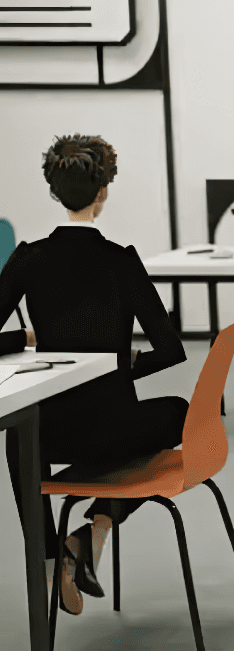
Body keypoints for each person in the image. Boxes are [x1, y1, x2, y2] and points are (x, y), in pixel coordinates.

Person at [0, 134, 189, 616]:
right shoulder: (122, 261)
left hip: (51, 435)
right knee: (179, 413)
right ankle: (95, 529)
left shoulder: (27, 258)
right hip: (112, 433)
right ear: (102, 192)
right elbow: (169, 350)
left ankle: (47, 560)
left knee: (18, 436)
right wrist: (125, 366)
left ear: (53, 191)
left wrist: (22, 341)